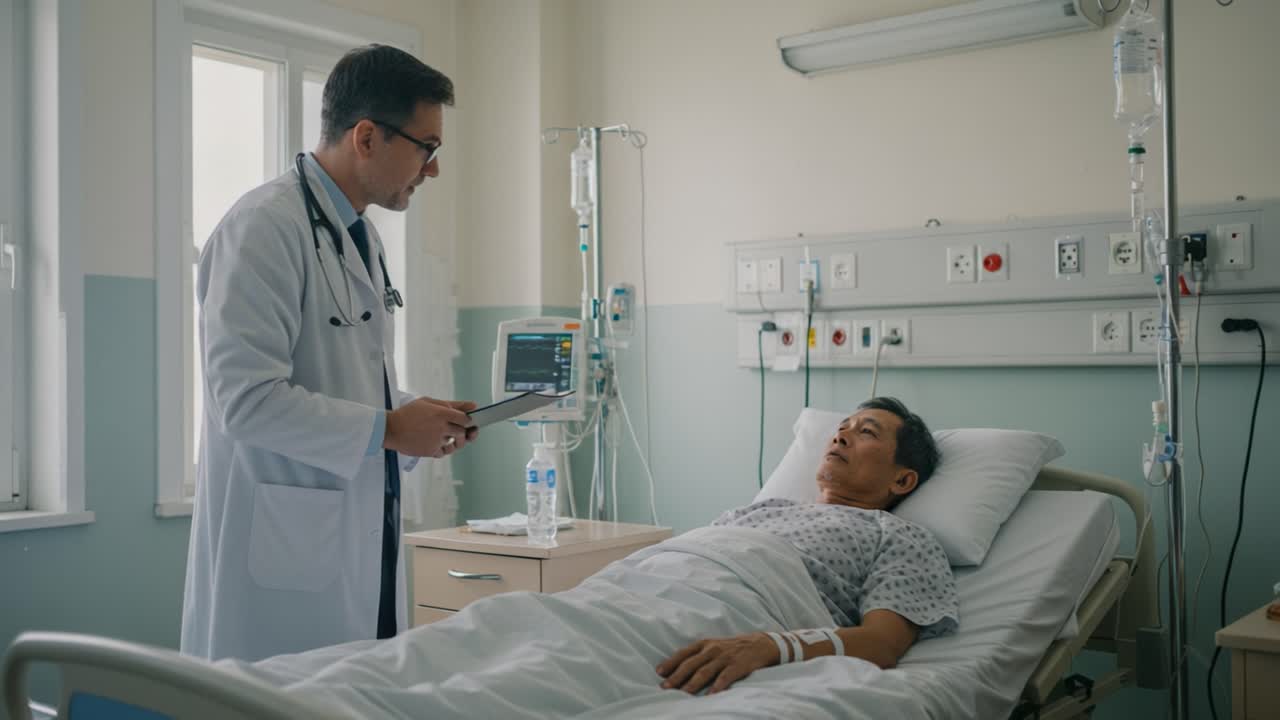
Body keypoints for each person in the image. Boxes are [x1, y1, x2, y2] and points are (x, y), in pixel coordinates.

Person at [181, 45, 477, 662]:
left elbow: (342, 383)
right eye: (427, 147)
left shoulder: (359, 235)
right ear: (367, 137)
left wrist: (415, 416)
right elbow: (245, 400)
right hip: (282, 562)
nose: (433, 169)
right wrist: (390, 428)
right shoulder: (263, 226)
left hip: (354, 544)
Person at [656, 397, 959, 695]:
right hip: (657, 587)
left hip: (735, 616)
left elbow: (881, 644)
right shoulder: (758, 510)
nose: (840, 437)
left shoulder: (899, 536)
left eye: (866, 432)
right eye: (843, 428)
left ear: (903, 480)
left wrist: (772, 646)